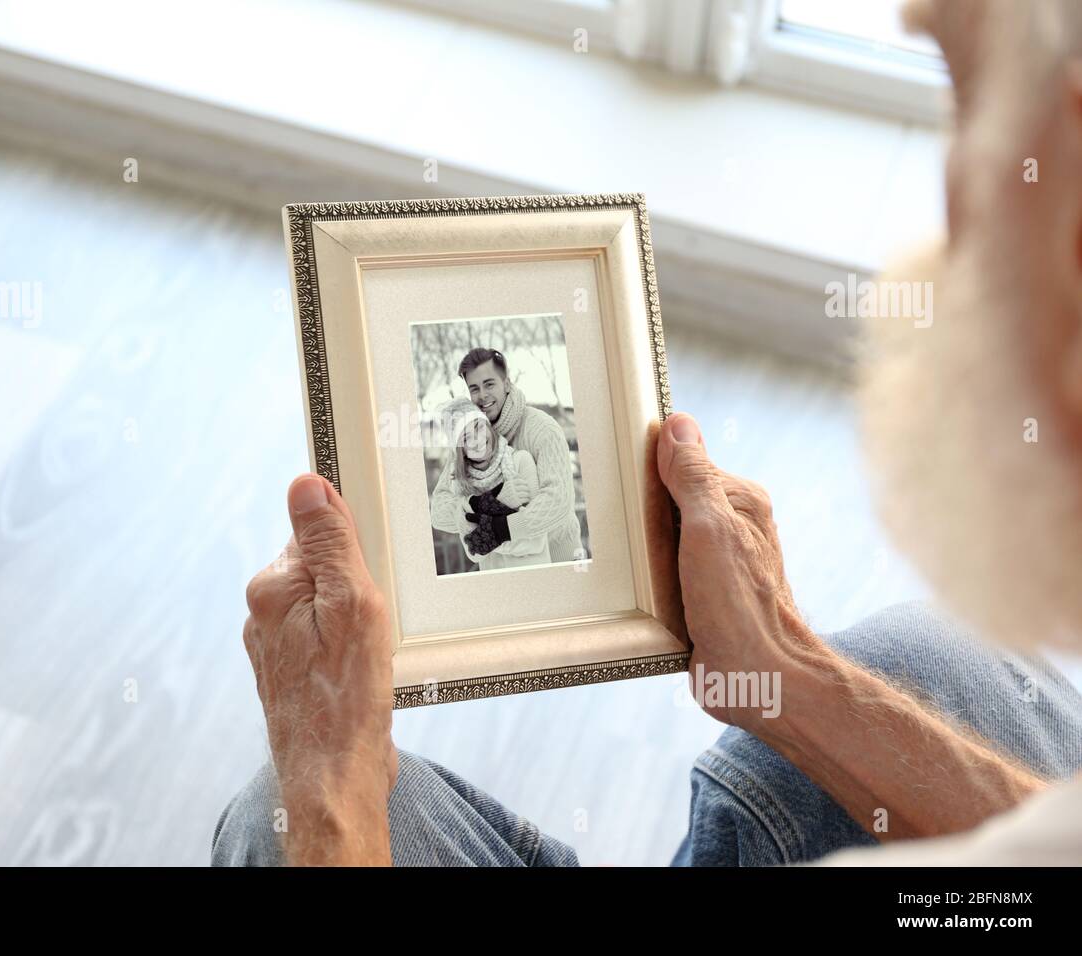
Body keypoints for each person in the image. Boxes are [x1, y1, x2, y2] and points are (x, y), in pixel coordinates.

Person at [212, 0, 1082, 866]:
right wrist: (780, 665)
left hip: (520, 545)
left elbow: (546, 507)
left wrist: (331, 793)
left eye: (968, 97)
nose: (951, 213)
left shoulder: (541, 438)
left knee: (274, 821)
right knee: (938, 652)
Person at [429, 348, 583, 564]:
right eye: (474, 388)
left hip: (557, 560)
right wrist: (483, 503)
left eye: (489, 384)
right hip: (499, 571)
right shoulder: (471, 440)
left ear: (507, 383)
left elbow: (557, 502)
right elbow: (438, 510)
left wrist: (498, 530)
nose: (482, 395)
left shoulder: (543, 429)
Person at [435, 396, 551, 571]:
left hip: (534, 575)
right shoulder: (462, 487)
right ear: (461, 451)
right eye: (466, 438)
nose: (477, 440)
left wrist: (484, 535)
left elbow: (535, 539)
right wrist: (495, 500)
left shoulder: (521, 461)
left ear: (488, 425)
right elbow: (474, 553)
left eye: (479, 427)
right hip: (494, 585)